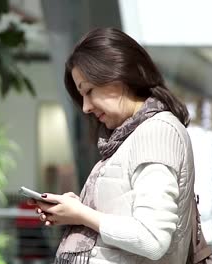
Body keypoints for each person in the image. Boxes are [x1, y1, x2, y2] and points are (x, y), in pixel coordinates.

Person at [31, 27, 197, 263]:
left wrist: (81, 214)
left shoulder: (156, 132)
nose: (86, 107)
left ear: (118, 76)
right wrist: (76, 209)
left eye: (88, 91)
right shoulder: (127, 136)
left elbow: (152, 238)